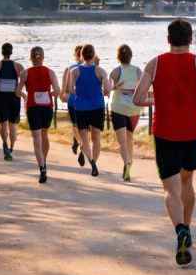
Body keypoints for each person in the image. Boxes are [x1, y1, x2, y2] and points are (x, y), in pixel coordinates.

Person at [132, 19, 196, 265]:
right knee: (187, 181)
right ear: (191, 39)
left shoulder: (155, 63)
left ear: (168, 39)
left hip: (165, 132)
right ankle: (188, 228)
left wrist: (155, 101)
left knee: (170, 189)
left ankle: (180, 229)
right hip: (194, 132)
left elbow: (138, 99)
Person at [16, 46, 61, 184]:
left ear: (30, 57)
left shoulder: (25, 73)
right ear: (43, 57)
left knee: (36, 137)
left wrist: (26, 95)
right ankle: (44, 161)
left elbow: (17, 91)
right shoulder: (50, 72)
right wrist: (48, 94)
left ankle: (42, 167)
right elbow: (58, 91)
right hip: (47, 107)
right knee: (44, 134)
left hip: (33, 107)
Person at [65, 44, 110, 177]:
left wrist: (79, 90)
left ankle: (91, 162)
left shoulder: (74, 71)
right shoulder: (101, 71)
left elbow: (68, 89)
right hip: (97, 106)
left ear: (81, 56)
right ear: (94, 55)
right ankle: (94, 163)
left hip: (81, 107)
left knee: (84, 140)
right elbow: (107, 90)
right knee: (96, 139)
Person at [108, 44, 143, 181]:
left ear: (118, 57)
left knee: (122, 142)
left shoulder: (115, 72)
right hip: (134, 109)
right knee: (130, 138)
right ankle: (130, 163)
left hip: (117, 108)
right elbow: (144, 88)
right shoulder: (138, 71)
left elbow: (108, 88)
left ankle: (126, 162)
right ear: (131, 57)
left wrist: (116, 87)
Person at [0, 43, 25, 161]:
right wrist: (20, 91)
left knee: (3, 123)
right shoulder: (18, 66)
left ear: (2, 52)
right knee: (12, 125)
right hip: (14, 98)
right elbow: (24, 81)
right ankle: (12, 148)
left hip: (1, 97)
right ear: (11, 52)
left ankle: (5, 144)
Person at [61, 45, 84, 166]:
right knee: (84, 126)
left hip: (73, 100)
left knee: (75, 124)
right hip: (85, 100)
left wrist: (62, 96)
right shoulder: (91, 67)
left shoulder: (69, 68)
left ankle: (78, 141)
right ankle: (80, 144)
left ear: (75, 54)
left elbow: (65, 89)